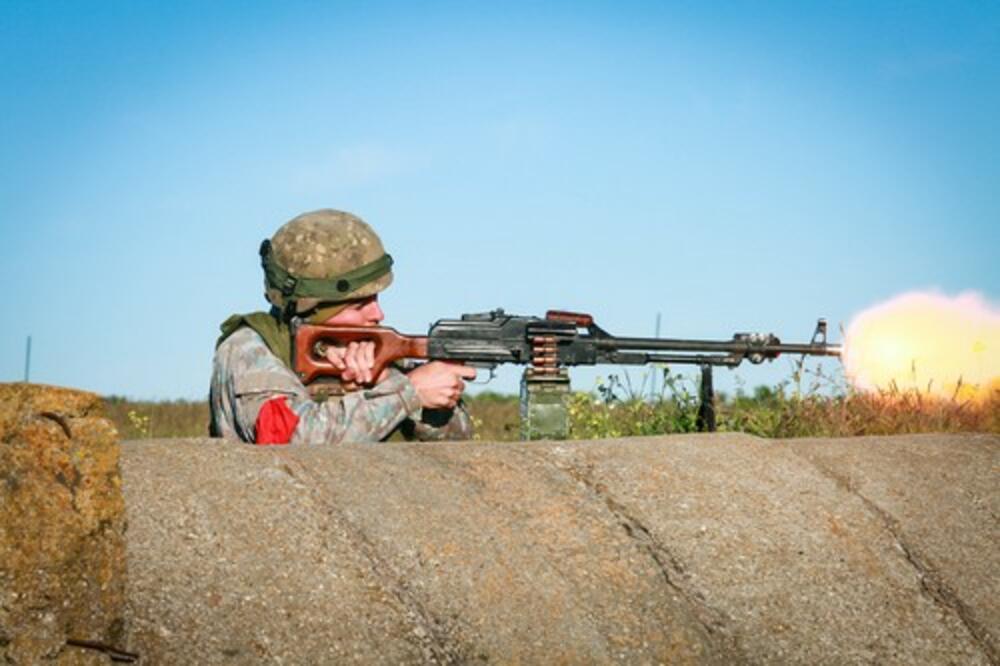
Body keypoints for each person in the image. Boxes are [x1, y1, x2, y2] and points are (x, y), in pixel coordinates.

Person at [209, 209, 476, 445]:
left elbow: (456, 441)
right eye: (359, 305)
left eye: (376, 299)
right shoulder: (248, 348)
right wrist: (405, 394)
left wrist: (386, 380)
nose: (378, 314)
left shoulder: (371, 347)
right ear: (312, 307)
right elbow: (288, 438)